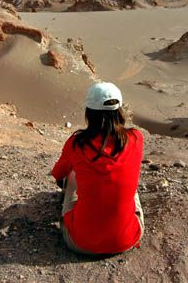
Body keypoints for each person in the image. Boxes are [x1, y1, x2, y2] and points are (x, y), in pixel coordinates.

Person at [51, 82, 144, 255]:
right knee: (131, 184)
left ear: (89, 112)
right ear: (120, 110)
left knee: (72, 172)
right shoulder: (136, 138)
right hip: (127, 240)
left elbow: (58, 174)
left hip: (79, 242)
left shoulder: (77, 143)